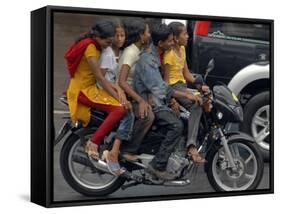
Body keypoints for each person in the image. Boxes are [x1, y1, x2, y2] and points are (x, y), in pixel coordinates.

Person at [133, 23, 203, 180]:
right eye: (170, 41)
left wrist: (174, 99)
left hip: (156, 98)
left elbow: (164, 86)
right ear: (160, 43)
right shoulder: (149, 60)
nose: (172, 44)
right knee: (176, 125)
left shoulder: (157, 53)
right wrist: (185, 96)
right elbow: (161, 88)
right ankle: (158, 165)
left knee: (181, 118)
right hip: (149, 101)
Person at [65, 20, 128, 176]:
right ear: (98, 37)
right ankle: (93, 142)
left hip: (89, 87)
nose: (108, 45)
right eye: (107, 42)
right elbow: (100, 77)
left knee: (121, 107)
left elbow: (103, 79)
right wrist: (117, 96)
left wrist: (117, 89)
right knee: (119, 109)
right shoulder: (91, 48)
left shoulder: (95, 45)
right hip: (83, 90)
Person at [163, 21, 208, 160]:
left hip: (181, 85)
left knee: (207, 98)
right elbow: (165, 82)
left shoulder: (182, 50)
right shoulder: (169, 55)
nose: (188, 36)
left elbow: (187, 75)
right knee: (197, 104)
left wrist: (201, 85)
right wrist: (171, 99)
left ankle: (200, 134)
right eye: (185, 34)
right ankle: (191, 145)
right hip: (173, 87)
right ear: (176, 38)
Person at [97, 19, 135, 172]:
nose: (119, 39)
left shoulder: (123, 53)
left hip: (114, 88)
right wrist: (120, 94)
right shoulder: (108, 53)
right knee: (128, 113)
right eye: (116, 35)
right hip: (104, 89)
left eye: (122, 35)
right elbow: (103, 80)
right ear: (110, 36)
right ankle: (114, 152)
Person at [117, 18, 155, 159]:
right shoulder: (130, 52)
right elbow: (122, 81)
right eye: (147, 32)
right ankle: (127, 150)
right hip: (124, 95)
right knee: (147, 116)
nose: (149, 35)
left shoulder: (139, 51)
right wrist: (141, 101)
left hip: (134, 93)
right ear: (141, 35)